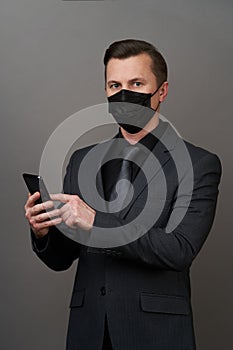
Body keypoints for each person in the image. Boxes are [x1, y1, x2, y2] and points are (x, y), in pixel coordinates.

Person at [24, 39, 222, 350]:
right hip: (88, 332)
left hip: (156, 334)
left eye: (136, 83)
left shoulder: (198, 165)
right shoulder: (81, 160)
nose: (123, 93)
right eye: (114, 84)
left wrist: (96, 222)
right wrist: (44, 232)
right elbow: (64, 257)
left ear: (162, 91)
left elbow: (179, 249)